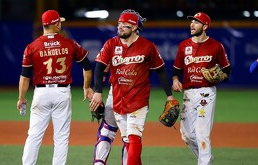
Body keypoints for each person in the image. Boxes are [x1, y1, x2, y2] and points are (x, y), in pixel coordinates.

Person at [90, 9, 176, 165]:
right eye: (119, 24)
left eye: (125, 25)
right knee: (126, 139)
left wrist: (169, 95)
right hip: (117, 98)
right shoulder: (111, 43)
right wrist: (97, 92)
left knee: (134, 136)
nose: (120, 27)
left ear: (135, 27)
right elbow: (99, 67)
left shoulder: (148, 46)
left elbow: (161, 71)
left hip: (138, 98)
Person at [16, 9, 93, 165]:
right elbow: (87, 65)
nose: (60, 24)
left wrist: (21, 98)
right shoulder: (68, 43)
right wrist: (86, 87)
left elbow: (25, 76)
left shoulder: (32, 46)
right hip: (62, 92)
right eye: (59, 22)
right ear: (55, 24)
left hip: (41, 93)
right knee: (61, 137)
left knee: (34, 135)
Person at [172, 12, 231, 165]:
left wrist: (221, 76)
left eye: (196, 22)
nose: (192, 24)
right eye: (192, 21)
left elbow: (227, 69)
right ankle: (205, 157)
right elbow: (176, 70)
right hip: (189, 94)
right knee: (186, 135)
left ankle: (204, 162)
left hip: (207, 93)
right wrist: (175, 80)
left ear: (205, 27)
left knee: (202, 134)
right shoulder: (184, 46)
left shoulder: (216, 46)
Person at [93, 64, 128, 165]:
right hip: (136, 93)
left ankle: (98, 164)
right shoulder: (146, 47)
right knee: (131, 136)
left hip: (115, 92)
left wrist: (97, 91)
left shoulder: (112, 47)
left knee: (107, 131)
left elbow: (102, 67)